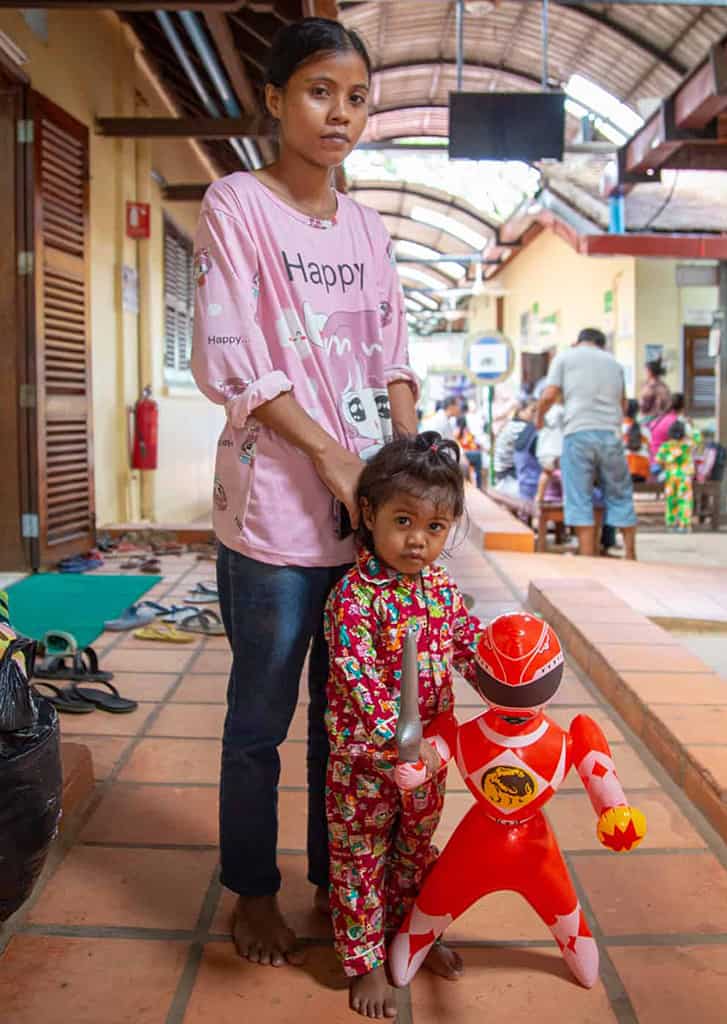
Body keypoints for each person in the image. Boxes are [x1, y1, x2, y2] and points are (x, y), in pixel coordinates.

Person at [190, 18, 419, 968]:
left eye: (357, 97)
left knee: (352, 715)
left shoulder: (366, 226)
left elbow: (392, 348)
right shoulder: (235, 203)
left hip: (362, 513)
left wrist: (405, 465)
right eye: (320, 91)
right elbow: (230, 351)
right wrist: (327, 455)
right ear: (278, 100)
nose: (340, 113)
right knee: (259, 719)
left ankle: (342, 883)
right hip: (276, 513)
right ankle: (251, 890)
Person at [324, 432, 482, 1018]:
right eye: (404, 520)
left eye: (436, 528)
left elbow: (468, 645)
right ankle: (364, 960)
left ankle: (412, 936)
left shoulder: (441, 588)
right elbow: (356, 676)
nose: (418, 540)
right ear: (369, 514)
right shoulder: (352, 598)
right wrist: (397, 734)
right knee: (360, 855)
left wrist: (504, 671)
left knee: (415, 851)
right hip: (366, 764)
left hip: (430, 763)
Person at [537, 328, 637, 559]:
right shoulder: (614, 363)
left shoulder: (565, 357)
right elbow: (623, 405)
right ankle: (630, 555)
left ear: (577, 341)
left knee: (579, 496)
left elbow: (550, 394)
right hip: (611, 434)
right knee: (620, 493)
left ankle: (587, 556)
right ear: (601, 345)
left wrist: (539, 417)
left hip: (578, 433)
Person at [656, 420, 696, 533]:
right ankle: (685, 525)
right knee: (685, 500)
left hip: (671, 476)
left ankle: (671, 523)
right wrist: (691, 427)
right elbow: (697, 438)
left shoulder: (666, 446)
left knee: (671, 500)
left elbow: (659, 459)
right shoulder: (687, 445)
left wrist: (667, 463)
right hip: (685, 476)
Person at [493, 400, 536, 496]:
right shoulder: (522, 427)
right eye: (533, 411)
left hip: (502, 475)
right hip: (509, 477)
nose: (535, 414)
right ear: (521, 411)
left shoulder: (512, 424)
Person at [534, 402, 564, 504]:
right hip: (558, 447)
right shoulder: (561, 410)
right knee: (565, 474)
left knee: (546, 472)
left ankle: (538, 499)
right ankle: (567, 499)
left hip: (544, 448)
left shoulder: (543, 410)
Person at [622, 399, 651, 482]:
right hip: (642, 473)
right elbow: (648, 450)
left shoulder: (618, 429)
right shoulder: (645, 430)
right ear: (638, 412)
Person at [454, 414, 483, 488]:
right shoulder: (462, 431)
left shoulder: (457, 430)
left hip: (463, 453)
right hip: (463, 454)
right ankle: (479, 486)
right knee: (478, 457)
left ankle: (478, 485)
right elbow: (471, 444)